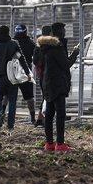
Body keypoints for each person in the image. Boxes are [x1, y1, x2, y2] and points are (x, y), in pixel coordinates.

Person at [34, 22, 74, 152]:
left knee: (49, 114)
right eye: (63, 30)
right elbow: (65, 64)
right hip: (58, 84)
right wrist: (75, 53)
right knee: (60, 114)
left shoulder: (44, 47)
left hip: (47, 83)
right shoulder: (57, 48)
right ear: (59, 32)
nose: (65, 32)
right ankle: (60, 144)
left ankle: (49, 143)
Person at [0, 25, 30, 132]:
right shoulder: (14, 44)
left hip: (0, 76)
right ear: (8, 32)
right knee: (12, 100)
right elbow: (22, 58)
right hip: (12, 77)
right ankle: (10, 125)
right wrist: (27, 72)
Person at [13, 24, 37, 123]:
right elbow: (36, 56)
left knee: (8, 96)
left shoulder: (12, 43)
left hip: (12, 71)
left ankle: (6, 116)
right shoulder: (30, 43)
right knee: (29, 96)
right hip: (25, 72)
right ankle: (32, 118)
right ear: (25, 32)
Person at [33, 25, 52, 127]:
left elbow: (35, 61)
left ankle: (40, 118)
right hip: (48, 74)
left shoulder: (38, 45)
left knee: (45, 96)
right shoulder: (51, 45)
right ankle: (43, 118)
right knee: (47, 96)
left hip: (41, 74)